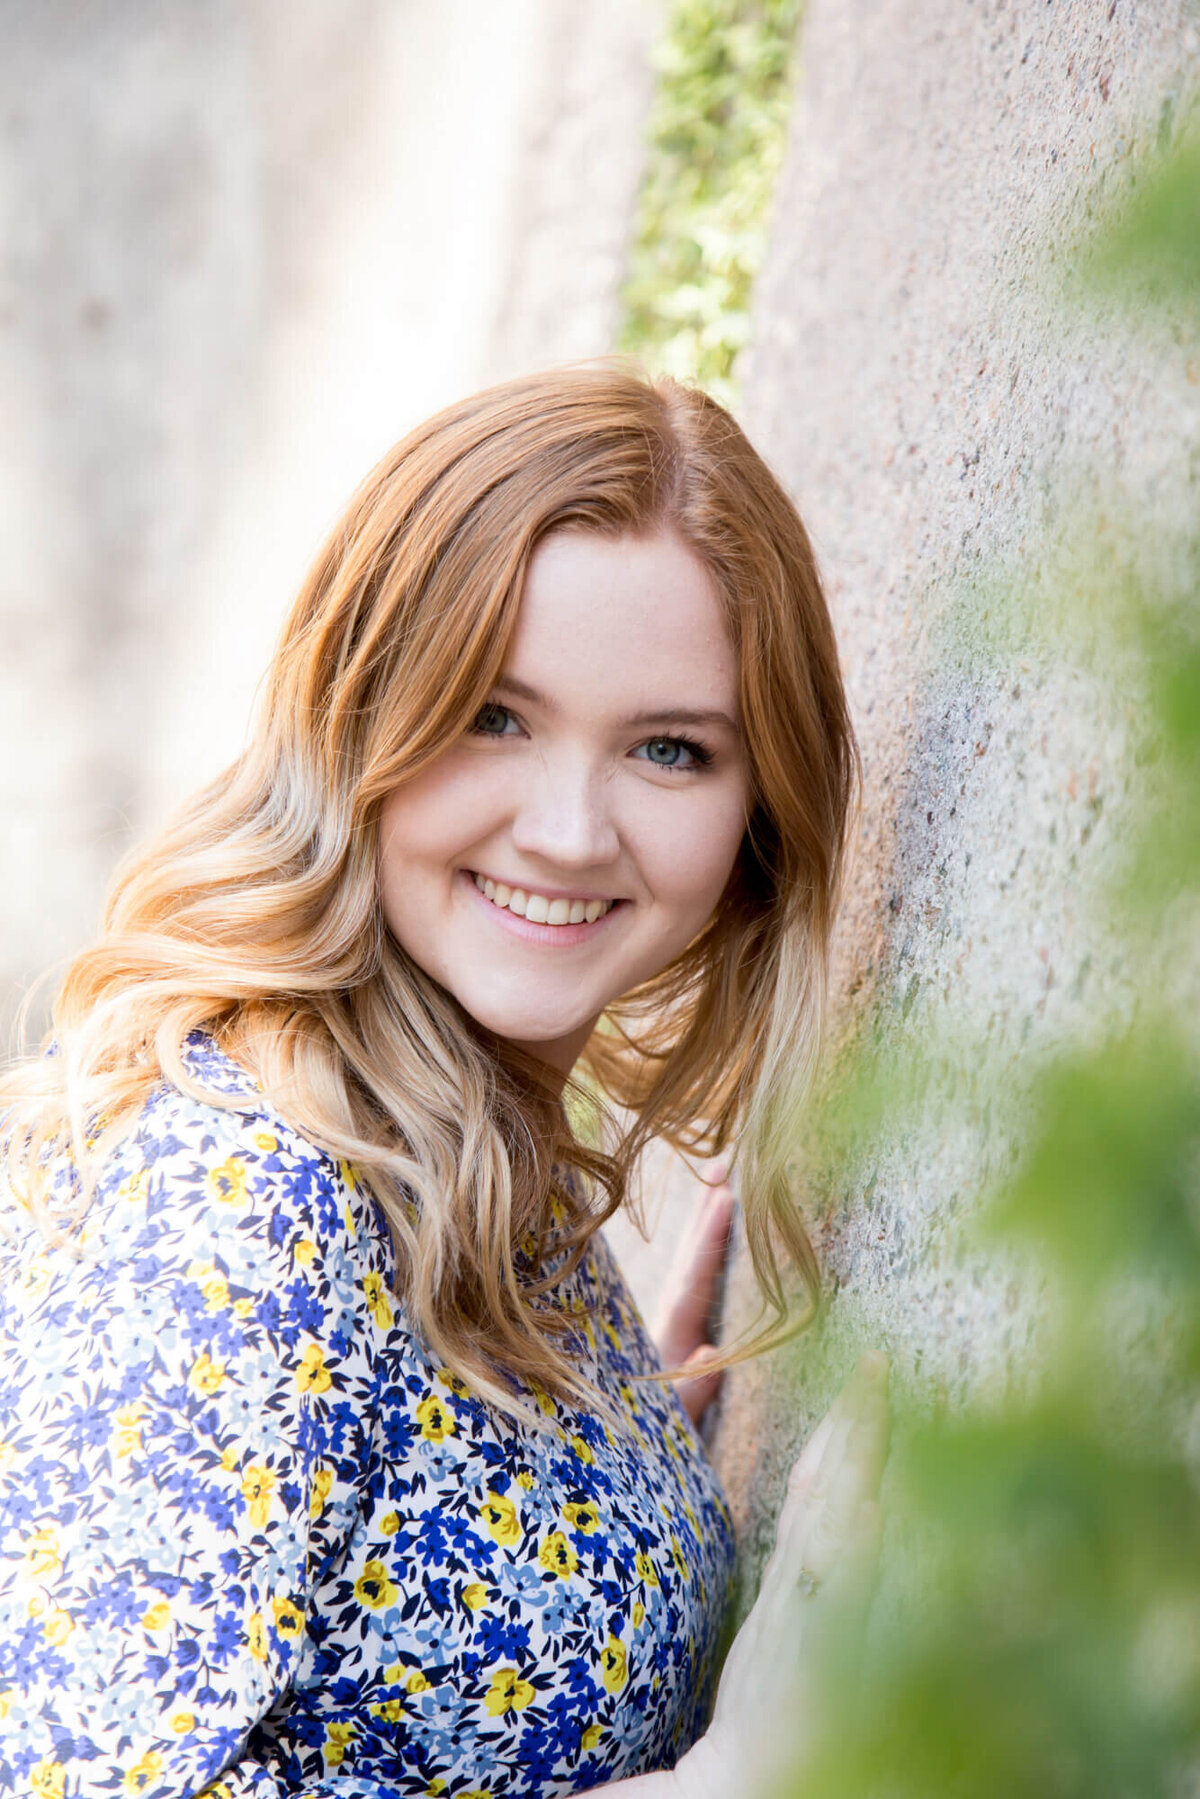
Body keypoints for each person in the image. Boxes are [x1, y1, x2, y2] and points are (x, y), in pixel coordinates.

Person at [0, 366, 888, 1799]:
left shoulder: (466, 1141)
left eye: (670, 749)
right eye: (494, 715)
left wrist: (606, 1475)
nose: (568, 829)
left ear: (756, 821)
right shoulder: (247, 1198)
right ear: (359, 711)